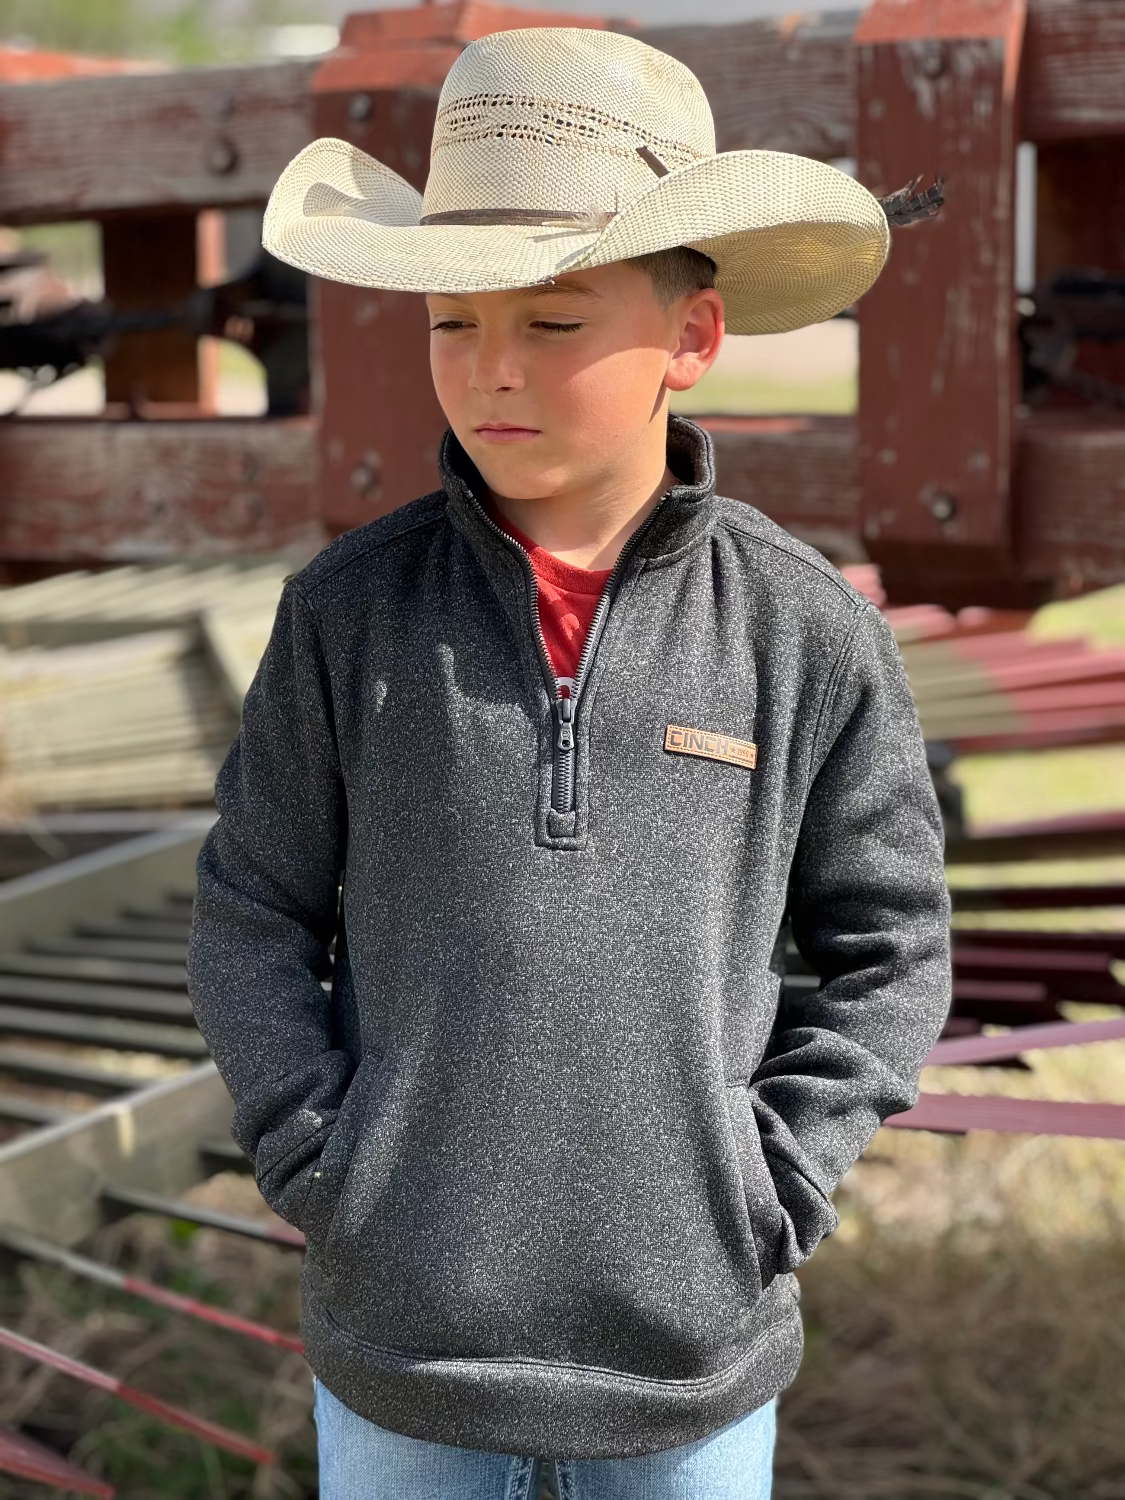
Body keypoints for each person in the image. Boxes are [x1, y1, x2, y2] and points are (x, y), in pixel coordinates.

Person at [186, 25, 952, 1500]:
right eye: (451, 324)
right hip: (404, 1352)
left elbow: (893, 944)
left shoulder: (800, 630)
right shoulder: (349, 614)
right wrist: (318, 1158)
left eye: (551, 321)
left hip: (689, 1367)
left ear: (694, 336)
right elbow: (252, 905)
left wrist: (778, 1181)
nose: (492, 371)